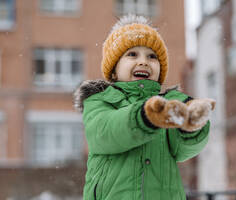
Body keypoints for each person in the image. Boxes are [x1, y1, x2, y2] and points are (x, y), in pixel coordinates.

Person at [74, 14, 215, 200]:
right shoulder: (101, 100)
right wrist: (144, 117)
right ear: (114, 70)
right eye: (132, 54)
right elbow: (104, 133)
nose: (143, 61)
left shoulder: (169, 103)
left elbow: (181, 150)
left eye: (152, 56)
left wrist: (190, 126)